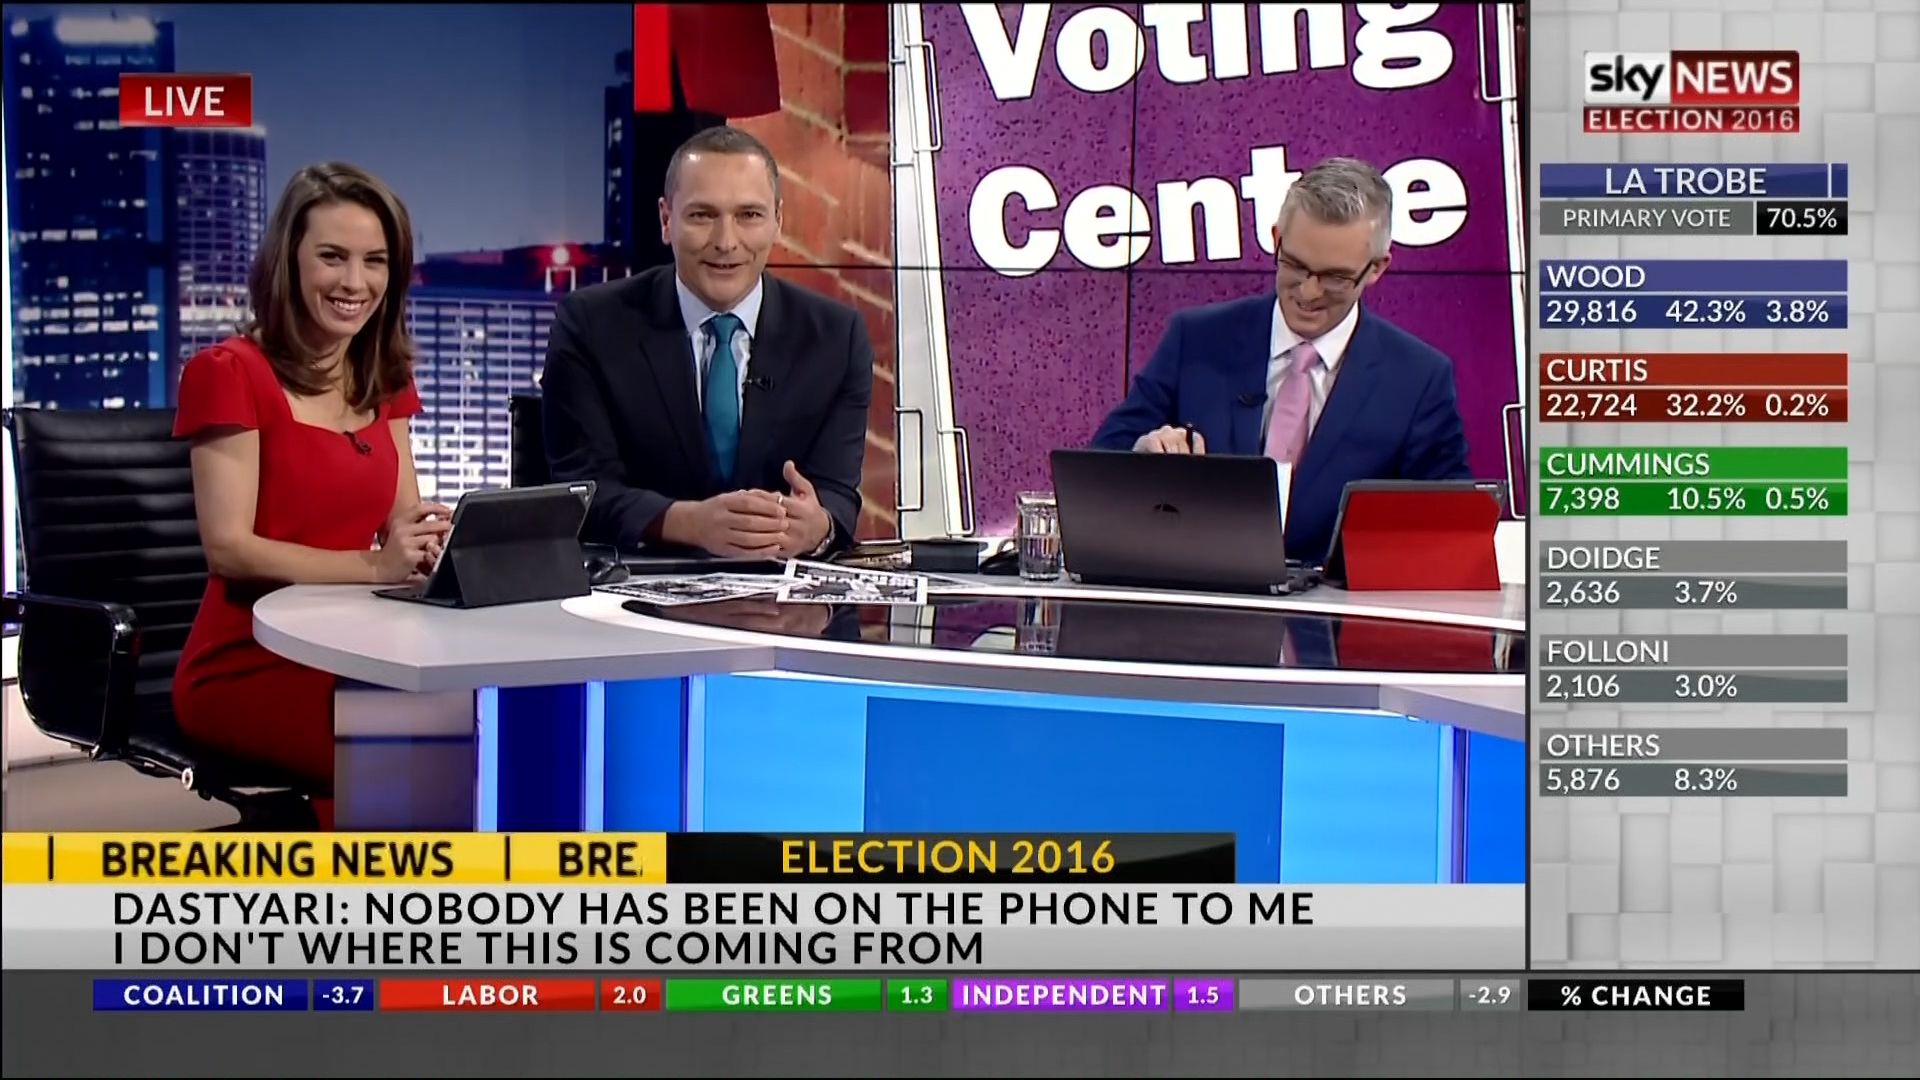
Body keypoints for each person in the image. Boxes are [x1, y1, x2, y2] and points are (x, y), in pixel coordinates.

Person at [172, 163, 448, 830]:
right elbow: (230, 549)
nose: (355, 282)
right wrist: (374, 567)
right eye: (332, 257)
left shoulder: (384, 376)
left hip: (358, 644)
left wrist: (436, 545)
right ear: (288, 261)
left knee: (489, 721)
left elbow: (402, 520)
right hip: (247, 662)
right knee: (424, 750)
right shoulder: (228, 373)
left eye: (375, 261)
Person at [1091, 157, 1471, 563]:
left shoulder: (1418, 379)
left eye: (1335, 277)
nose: (1308, 292)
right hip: (1199, 590)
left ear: (1376, 269)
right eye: (1295, 266)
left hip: (1333, 600)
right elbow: (1098, 470)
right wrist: (1142, 457)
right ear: (1276, 239)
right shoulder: (1197, 340)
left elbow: (1450, 529)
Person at [541, 125, 874, 560]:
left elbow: (837, 493)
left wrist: (817, 527)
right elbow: (581, 490)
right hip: (633, 585)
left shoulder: (836, 337)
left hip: (781, 591)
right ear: (666, 220)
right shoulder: (591, 325)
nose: (725, 242)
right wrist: (688, 523)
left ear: (778, 220)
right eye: (702, 215)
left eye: (749, 215)